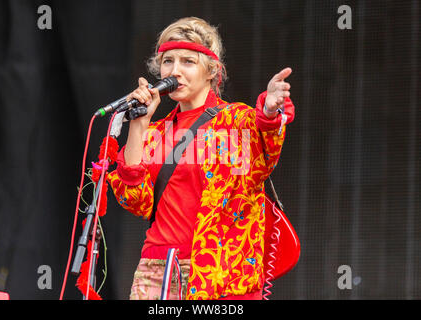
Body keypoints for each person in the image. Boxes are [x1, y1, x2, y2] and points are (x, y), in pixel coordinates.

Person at [105, 16, 295, 300]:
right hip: (156, 270)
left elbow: (264, 155)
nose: (175, 70)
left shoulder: (233, 122)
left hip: (220, 271)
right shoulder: (156, 132)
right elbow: (135, 200)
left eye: (187, 62)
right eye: (168, 61)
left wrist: (268, 112)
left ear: (211, 71)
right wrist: (139, 124)